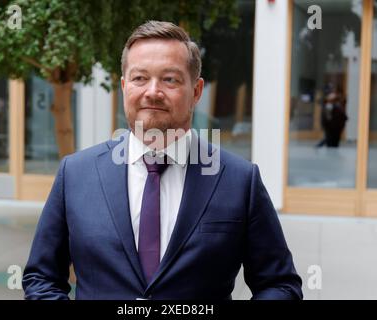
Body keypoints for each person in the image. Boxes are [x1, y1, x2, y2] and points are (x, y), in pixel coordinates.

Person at [22, 21, 302, 300]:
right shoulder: (75, 174)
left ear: (196, 91)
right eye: (140, 78)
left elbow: (280, 285)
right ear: (124, 86)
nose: (152, 91)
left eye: (170, 79)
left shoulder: (239, 180)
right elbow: (41, 278)